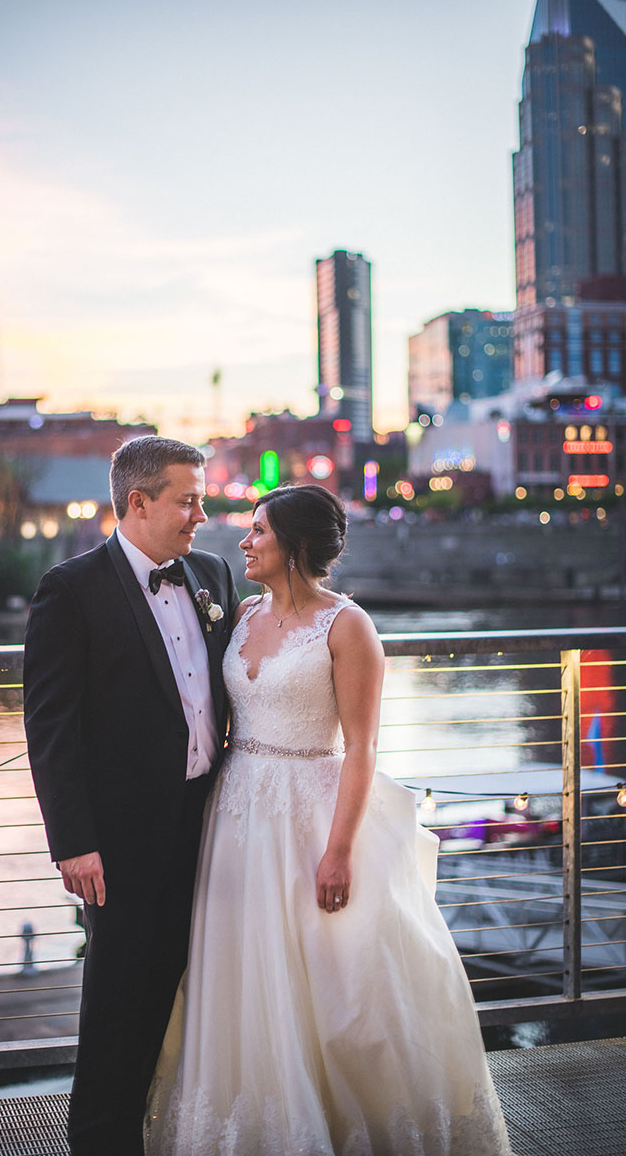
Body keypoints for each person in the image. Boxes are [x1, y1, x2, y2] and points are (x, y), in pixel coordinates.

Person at [146, 484, 514, 1156]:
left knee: (335, 980)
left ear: (295, 545)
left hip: (313, 815)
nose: (244, 542)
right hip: (236, 815)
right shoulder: (241, 613)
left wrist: (339, 850)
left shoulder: (348, 627)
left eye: (258, 531)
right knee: (244, 967)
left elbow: (363, 748)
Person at [23, 435, 239, 1156]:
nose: (201, 514)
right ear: (138, 502)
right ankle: (99, 1143)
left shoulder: (210, 573)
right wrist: (74, 842)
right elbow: (50, 727)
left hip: (210, 829)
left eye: (202, 498)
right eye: (188, 500)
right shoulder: (71, 589)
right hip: (117, 844)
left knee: (182, 998)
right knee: (115, 1009)